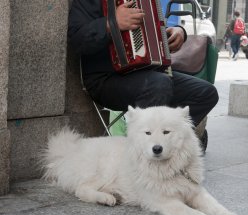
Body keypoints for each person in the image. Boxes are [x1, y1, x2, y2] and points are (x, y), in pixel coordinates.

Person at [68, 0, 219, 146]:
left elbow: (152, 31)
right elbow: (77, 39)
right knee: (159, 84)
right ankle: (141, 159)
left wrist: (179, 32)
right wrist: (112, 23)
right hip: (105, 79)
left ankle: (168, 146)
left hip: (147, 75)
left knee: (206, 93)